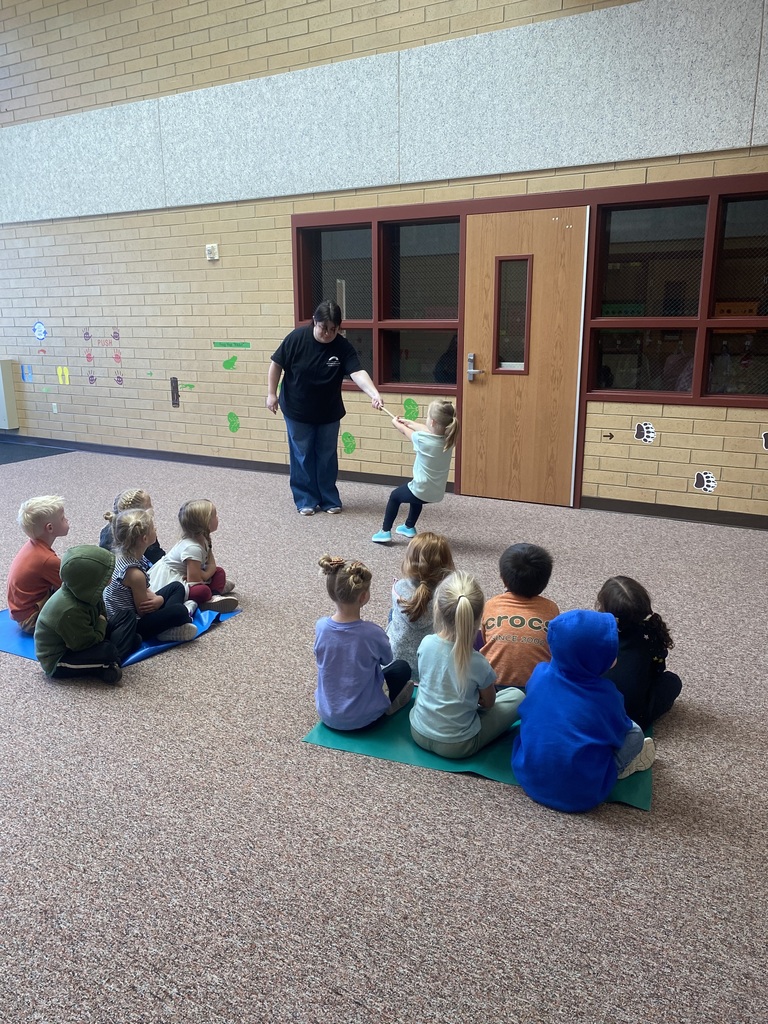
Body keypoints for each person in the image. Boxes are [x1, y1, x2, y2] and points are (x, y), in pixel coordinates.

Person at [511, 610, 656, 813]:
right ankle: (617, 769)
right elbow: (617, 732)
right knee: (636, 734)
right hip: (585, 793)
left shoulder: (539, 673)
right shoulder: (607, 695)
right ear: (593, 659)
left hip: (529, 778)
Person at [267, 299, 383, 515]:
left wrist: (374, 393)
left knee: (327, 455)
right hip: (297, 409)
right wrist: (271, 394)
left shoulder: (342, 346)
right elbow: (276, 364)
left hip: (328, 412)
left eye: (333, 329)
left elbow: (357, 372)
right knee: (302, 454)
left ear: (339, 327)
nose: (328, 333)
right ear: (314, 322)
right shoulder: (296, 338)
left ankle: (329, 498)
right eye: (323, 328)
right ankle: (306, 500)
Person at [409, 571, 525, 759]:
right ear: (478, 618)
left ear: (437, 610)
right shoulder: (478, 662)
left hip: (418, 732)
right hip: (458, 746)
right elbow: (489, 704)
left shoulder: (426, 643)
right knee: (517, 696)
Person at [315, 555, 413, 730]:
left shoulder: (321, 627)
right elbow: (387, 659)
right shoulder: (372, 632)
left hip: (327, 715)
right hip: (364, 720)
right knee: (402, 667)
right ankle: (388, 706)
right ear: (363, 596)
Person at [34, 545, 139, 686]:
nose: (110, 578)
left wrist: (101, 622)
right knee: (109, 650)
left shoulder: (88, 590)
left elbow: (102, 613)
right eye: (106, 576)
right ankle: (107, 664)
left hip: (86, 633)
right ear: (89, 580)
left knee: (127, 616)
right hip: (61, 658)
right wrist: (101, 623)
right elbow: (85, 643)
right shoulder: (68, 610)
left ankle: (112, 658)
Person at [597, 575, 682, 731]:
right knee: (672, 681)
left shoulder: (594, 631)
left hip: (593, 711)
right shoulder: (652, 635)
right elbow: (658, 671)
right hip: (633, 718)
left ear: (603, 607)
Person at [372, 399, 459, 544]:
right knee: (415, 497)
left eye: (427, 417)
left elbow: (404, 431)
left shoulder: (421, 439)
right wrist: (409, 422)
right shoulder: (449, 439)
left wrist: (397, 423)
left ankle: (385, 532)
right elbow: (425, 429)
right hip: (435, 492)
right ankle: (408, 527)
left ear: (432, 422)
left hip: (421, 488)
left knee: (395, 496)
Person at [104, 508, 197, 643]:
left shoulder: (126, 556)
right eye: (153, 528)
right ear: (145, 538)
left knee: (177, 587)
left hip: (131, 609)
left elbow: (142, 591)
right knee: (180, 610)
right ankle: (165, 630)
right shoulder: (134, 574)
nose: (156, 529)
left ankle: (170, 623)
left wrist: (157, 598)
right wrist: (160, 600)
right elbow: (144, 611)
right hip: (132, 625)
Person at [480, 543, 559, 689]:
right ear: (545, 583)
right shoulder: (551, 609)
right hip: (536, 687)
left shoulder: (491, 605)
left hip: (492, 685)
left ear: (503, 579)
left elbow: (485, 639)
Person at [148, 499, 238, 612]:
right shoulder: (192, 548)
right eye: (215, 516)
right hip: (172, 581)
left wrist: (204, 575)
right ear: (206, 523)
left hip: (192, 574)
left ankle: (214, 594)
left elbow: (212, 565)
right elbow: (194, 580)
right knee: (202, 591)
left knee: (220, 572)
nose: (218, 518)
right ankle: (208, 596)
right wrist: (204, 577)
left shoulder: (203, 538)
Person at [387, 532, 455, 682]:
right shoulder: (449, 595)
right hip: (431, 666)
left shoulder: (398, 587)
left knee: (392, 614)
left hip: (396, 661)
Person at [7, 495, 69, 634]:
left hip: (23, 610)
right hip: (31, 619)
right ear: (50, 528)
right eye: (62, 518)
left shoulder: (32, 546)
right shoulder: (47, 560)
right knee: (79, 601)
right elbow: (72, 585)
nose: (66, 519)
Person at [100, 489, 165, 565]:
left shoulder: (107, 529)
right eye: (149, 506)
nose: (152, 507)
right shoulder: (142, 530)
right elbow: (157, 558)